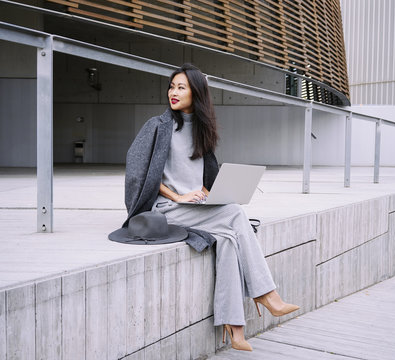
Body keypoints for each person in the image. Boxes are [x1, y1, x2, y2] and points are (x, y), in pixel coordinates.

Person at [124, 63, 299, 351]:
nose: (174, 92)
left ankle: (236, 330)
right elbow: (139, 173)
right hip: (165, 208)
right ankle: (268, 295)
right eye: (172, 86)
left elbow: (201, 177)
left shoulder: (202, 131)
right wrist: (178, 197)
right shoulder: (157, 126)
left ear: (197, 93)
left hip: (192, 207)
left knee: (229, 237)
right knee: (234, 215)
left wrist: (209, 193)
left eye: (181, 87)